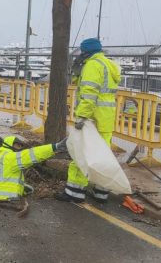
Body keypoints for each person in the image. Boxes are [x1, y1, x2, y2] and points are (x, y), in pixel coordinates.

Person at [57, 38, 121, 203]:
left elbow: (89, 94)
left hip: (91, 119)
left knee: (80, 154)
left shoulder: (92, 65)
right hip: (105, 120)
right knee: (102, 156)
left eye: (81, 51)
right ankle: (101, 192)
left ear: (86, 51)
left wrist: (82, 117)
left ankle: (74, 192)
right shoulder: (107, 64)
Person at [0, 136, 68, 200]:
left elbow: (5, 181)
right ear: (10, 145)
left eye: (20, 146)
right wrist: (55, 147)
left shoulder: (1, 157)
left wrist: (23, 188)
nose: (19, 148)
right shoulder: (10, 157)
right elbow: (32, 154)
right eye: (17, 145)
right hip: (6, 200)